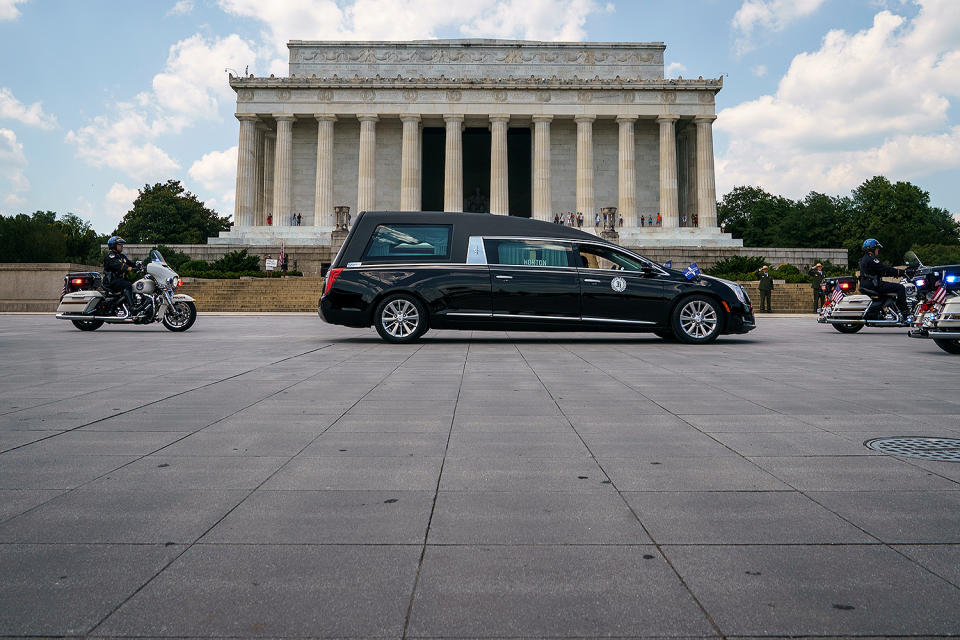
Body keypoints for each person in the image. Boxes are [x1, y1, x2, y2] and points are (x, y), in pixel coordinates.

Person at [859, 238, 909, 318]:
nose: (878, 250)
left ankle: (890, 311)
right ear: (872, 249)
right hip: (873, 285)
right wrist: (901, 272)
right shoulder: (872, 259)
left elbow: (879, 272)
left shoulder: (864, 258)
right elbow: (884, 269)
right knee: (900, 287)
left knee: (889, 294)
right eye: (877, 248)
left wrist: (894, 274)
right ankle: (905, 312)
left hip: (867, 283)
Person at [103, 236, 143, 315]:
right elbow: (118, 265)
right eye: (119, 244)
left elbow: (130, 263)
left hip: (120, 281)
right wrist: (130, 269)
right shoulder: (111, 256)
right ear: (113, 245)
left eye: (122, 244)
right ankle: (132, 308)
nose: (122, 246)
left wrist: (141, 267)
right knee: (127, 285)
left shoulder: (122, 256)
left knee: (137, 285)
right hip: (112, 281)